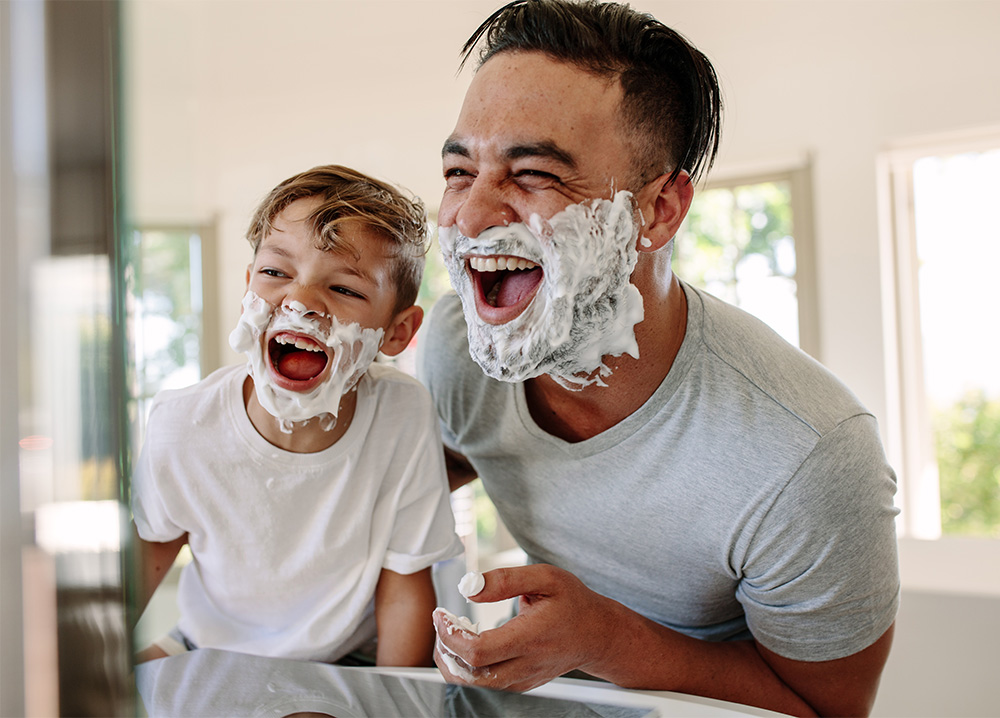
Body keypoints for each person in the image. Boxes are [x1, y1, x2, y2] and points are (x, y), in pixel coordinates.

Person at [415, 1, 899, 715]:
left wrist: (606, 641)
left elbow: (828, 708)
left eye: (533, 174)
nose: (468, 215)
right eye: (459, 170)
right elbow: (421, 472)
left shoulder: (809, 455)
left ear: (659, 211)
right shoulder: (462, 346)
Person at [131, 164, 464, 667]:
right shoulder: (182, 425)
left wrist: (395, 700)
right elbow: (137, 572)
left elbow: (404, 589)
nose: (302, 302)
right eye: (275, 272)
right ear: (248, 288)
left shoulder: (401, 413)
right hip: (208, 646)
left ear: (397, 332)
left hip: (346, 657)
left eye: (346, 289)